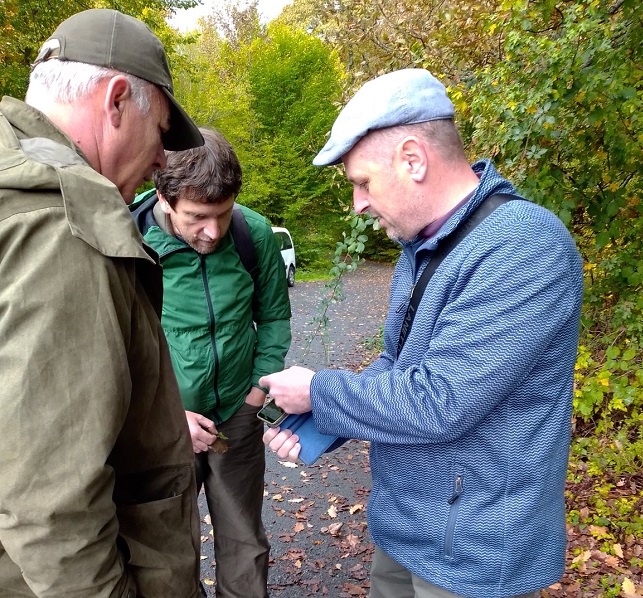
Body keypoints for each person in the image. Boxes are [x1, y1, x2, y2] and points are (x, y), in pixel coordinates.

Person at [260, 69, 584, 598]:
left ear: (413, 159)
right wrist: (323, 419)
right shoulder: (424, 245)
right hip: (408, 530)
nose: (358, 204)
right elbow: (399, 365)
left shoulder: (523, 246)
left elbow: (442, 400)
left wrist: (320, 390)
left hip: (475, 553)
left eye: (362, 182)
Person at [0, 9, 206, 598]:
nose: (165, 160)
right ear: (117, 100)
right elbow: (52, 507)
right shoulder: (67, 224)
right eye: (162, 131)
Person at [130, 127, 292, 598]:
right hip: (161, 426)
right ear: (163, 195)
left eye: (223, 214)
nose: (213, 231)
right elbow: (115, 346)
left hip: (238, 417)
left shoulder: (252, 234)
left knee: (244, 541)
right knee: (168, 550)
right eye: (198, 217)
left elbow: (274, 316)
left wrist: (256, 393)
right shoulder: (128, 238)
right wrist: (165, 414)